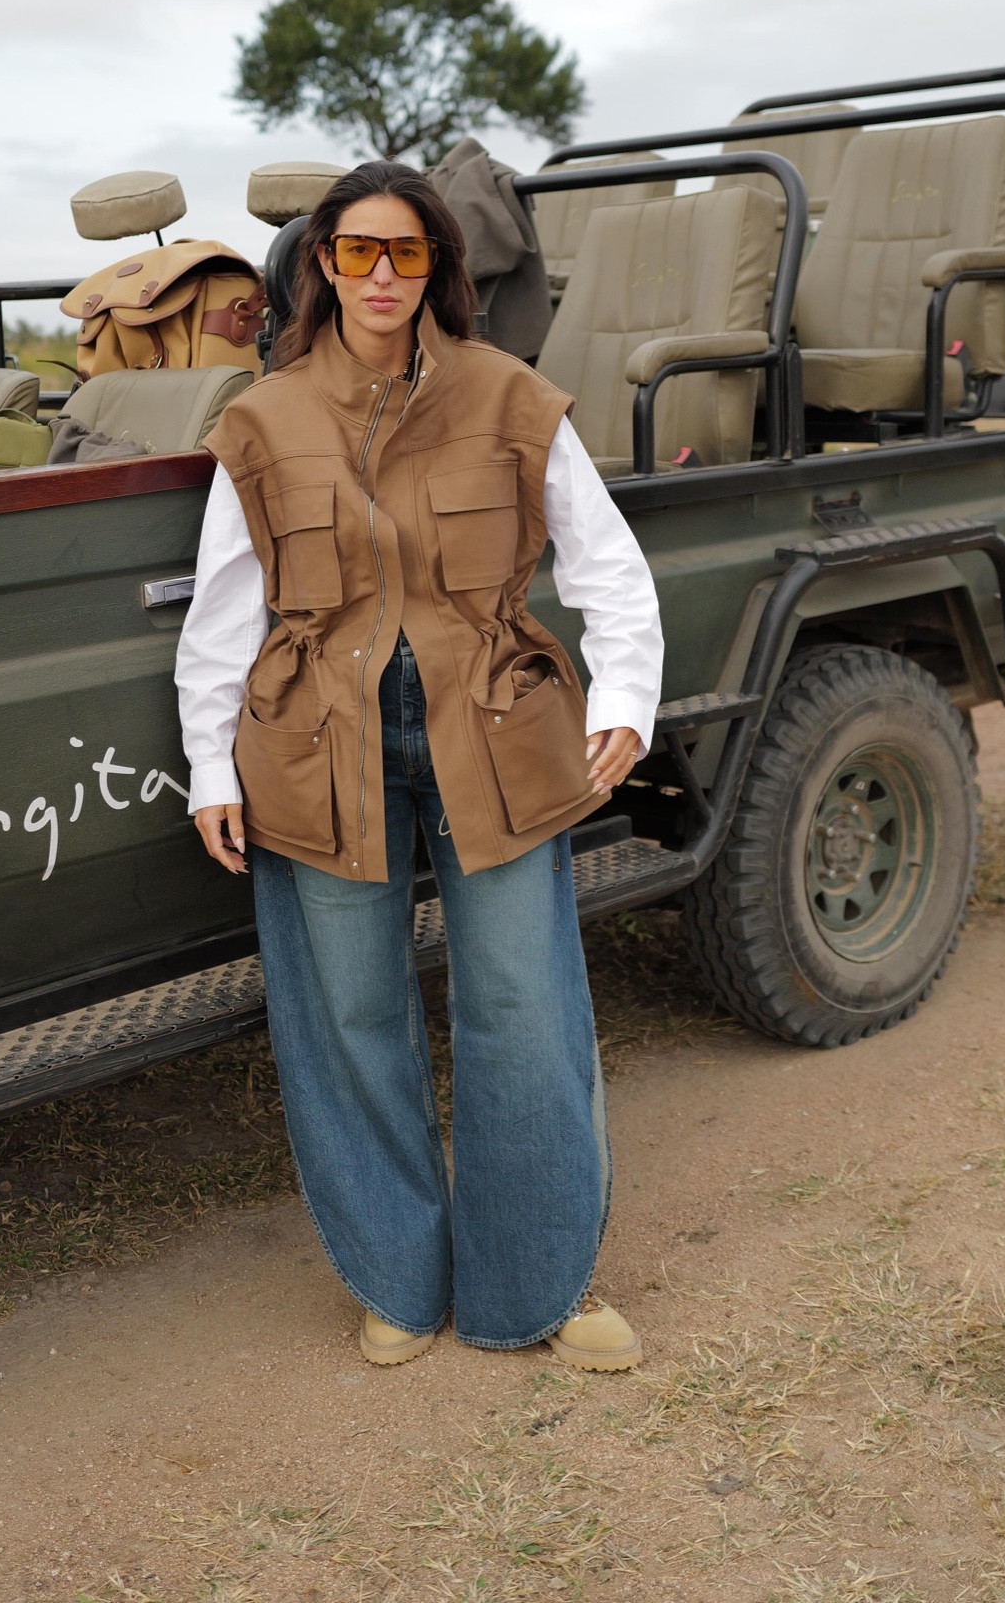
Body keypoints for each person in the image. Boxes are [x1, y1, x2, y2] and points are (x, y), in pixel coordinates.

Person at [175, 160, 663, 1369]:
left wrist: (631, 696)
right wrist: (209, 765)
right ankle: (397, 1277)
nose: (381, 275)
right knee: (349, 1012)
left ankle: (539, 1285)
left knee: (524, 1005)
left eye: (406, 252)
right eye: (356, 252)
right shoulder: (264, 416)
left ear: (438, 265)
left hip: (494, 729)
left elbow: (607, 562)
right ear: (321, 266)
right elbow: (223, 611)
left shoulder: (512, 396)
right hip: (314, 742)